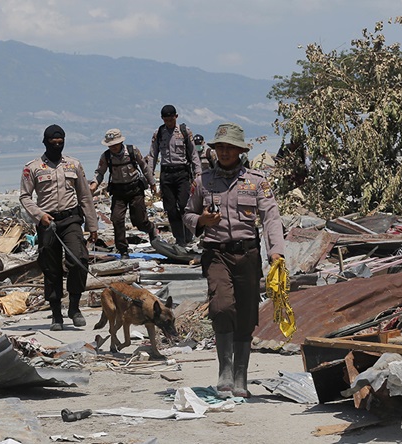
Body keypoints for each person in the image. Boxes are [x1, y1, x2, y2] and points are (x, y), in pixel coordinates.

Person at [182, 122, 285, 398]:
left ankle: (241, 376)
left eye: (230, 147)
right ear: (214, 150)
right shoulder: (203, 182)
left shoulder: (257, 181)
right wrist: (202, 220)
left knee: (246, 315)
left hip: (248, 254)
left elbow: (271, 218)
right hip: (216, 253)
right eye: (220, 147)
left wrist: (276, 252)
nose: (225, 152)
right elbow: (187, 215)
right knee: (222, 306)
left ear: (240, 150)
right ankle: (224, 370)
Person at [20, 124, 99, 331]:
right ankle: (56, 314)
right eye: (53, 142)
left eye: (60, 142)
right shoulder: (33, 168)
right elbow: (25, 197)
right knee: (51, 268)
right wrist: (39, 215)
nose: (57, 145)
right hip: (47, 222)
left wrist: (92, 225)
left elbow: (84, 196)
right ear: (45, 142)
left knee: (79, 259)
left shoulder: (74, 165)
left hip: (71, 219)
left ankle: (74, 307)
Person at [90, 128, 158, 259]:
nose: (113, 148)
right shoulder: (106, 156)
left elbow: (144, 167)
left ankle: (150, 229)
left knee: (139, 221)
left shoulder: (132, 151)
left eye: (115, 144)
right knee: (117, 219)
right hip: (118, 191)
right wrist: (93, 185)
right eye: (111, 145)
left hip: (135, 190)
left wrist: (153, 183)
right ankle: (123, 250)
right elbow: (100, 172)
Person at [147, 104, 202, 247]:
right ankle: (179, 240)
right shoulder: (158, 133)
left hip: (182, 173)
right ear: (162, 119)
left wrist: (198, 173)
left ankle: (189, 234)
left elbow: (193, 153)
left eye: (171, 119)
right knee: (171, 209)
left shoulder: (184, 131)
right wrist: (150, 177)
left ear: (176, 117)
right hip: (166, 173)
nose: (169, 123)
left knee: (184, 206)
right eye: (166, 120)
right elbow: (153, 155)